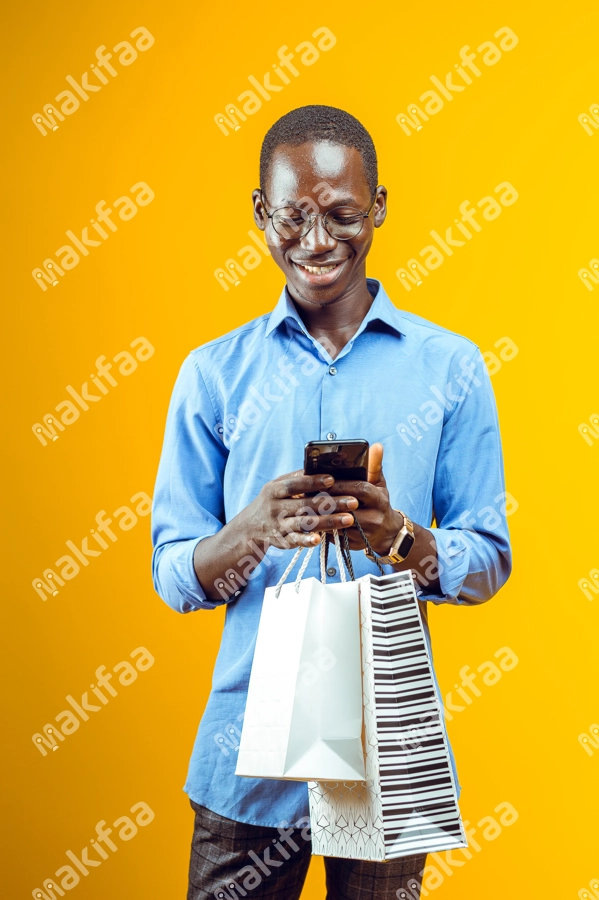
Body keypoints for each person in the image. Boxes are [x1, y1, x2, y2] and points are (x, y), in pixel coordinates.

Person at [151, 105, 512, 900]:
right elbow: (174, 574)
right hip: (248, 755)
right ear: (260, 213)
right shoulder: (212, 375)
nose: (316, 241)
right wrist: (247, 531)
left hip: (385, 745)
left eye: (344, 215)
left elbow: (487, 561)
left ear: (378, 207)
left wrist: (399, 538)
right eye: (293, 216)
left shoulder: (449, 367)